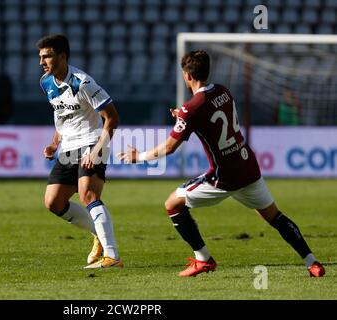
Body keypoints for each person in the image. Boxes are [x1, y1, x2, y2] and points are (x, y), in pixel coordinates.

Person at [118, 50, 325, 278]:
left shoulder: (191, 109)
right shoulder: (223, 91)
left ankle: (203, 260)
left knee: (172, 204)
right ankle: (312, 262)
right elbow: (210, 116)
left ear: (187, 75)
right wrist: (184, 117)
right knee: (274, 216)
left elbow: (169, 147)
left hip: (223, 177)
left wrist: (139, 157)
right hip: (248, 167)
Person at [37, 34, 123, 269]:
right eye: (41, 57)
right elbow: (62, 117)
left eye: (48, 56)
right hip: (68, 147)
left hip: (92, 141)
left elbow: (112, 118)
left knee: (88, 196)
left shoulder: (83, 82)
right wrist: (55, 143)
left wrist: (97, 150)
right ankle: (99, 235)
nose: (42, 62)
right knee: (53, 202)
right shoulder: (46, 82)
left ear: (63, 57)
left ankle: (112, 256)